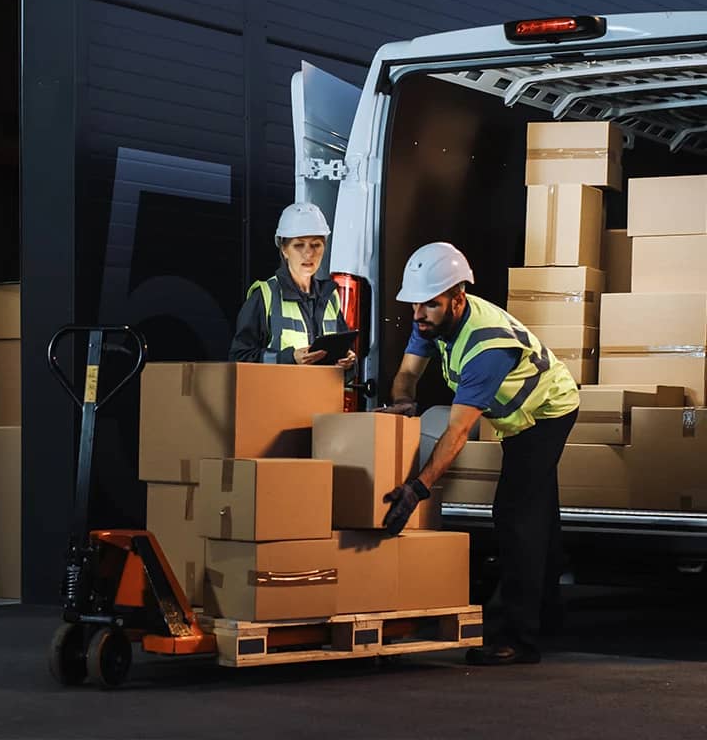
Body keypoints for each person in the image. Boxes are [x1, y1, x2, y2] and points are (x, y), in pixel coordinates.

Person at [380, 242, 579, 666]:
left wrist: (418, 488)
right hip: (518, 415)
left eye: (429, 306)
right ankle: (550, 614)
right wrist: (401, 401)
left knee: (515, 515)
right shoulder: (430, 318)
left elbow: (459, 430)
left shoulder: (486, 349)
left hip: (546, 412)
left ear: (458, 298)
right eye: (415, 306)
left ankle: (516, 639)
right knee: (538, 511)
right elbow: (407, 374)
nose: (418, 316)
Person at [229, 202, 356, 371]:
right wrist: (289, 358)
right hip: (280, 397)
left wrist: (348, 363)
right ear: (284, 249)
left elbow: (346, 368)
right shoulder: (265, 296)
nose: (309, 253)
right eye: (299, 245)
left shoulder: (330, 298)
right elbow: (239, 358)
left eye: (316, 245)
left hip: (321, 396)